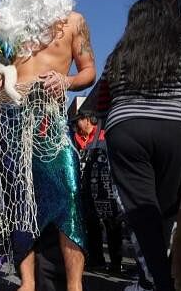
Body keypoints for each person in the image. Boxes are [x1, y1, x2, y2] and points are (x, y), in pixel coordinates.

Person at [0, 0, 96, 290]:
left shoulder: (74, 21)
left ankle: (75, 285)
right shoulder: (7, 29)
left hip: (50, 117)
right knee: (18, 199)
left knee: (68, 193)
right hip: (12, 116)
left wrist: (66, 81)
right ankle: (27, 282)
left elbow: (89, 71)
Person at [98, 0, 181, 291]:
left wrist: (111, 122)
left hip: (125, 130)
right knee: (165, 211)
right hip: (174, 131)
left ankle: (155, 281)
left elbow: (101, 101)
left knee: (141, 212)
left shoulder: (118, 55)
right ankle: (156, 279)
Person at [72, 111, 123, 274]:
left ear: (88, 120)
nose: (76, 125)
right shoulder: (78, 138)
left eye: (78, 121)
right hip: (87, 191)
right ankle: (97, 260)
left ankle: (116, 263)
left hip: (107, 191)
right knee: (92, 226)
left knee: (113, 226)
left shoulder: (105, 134)